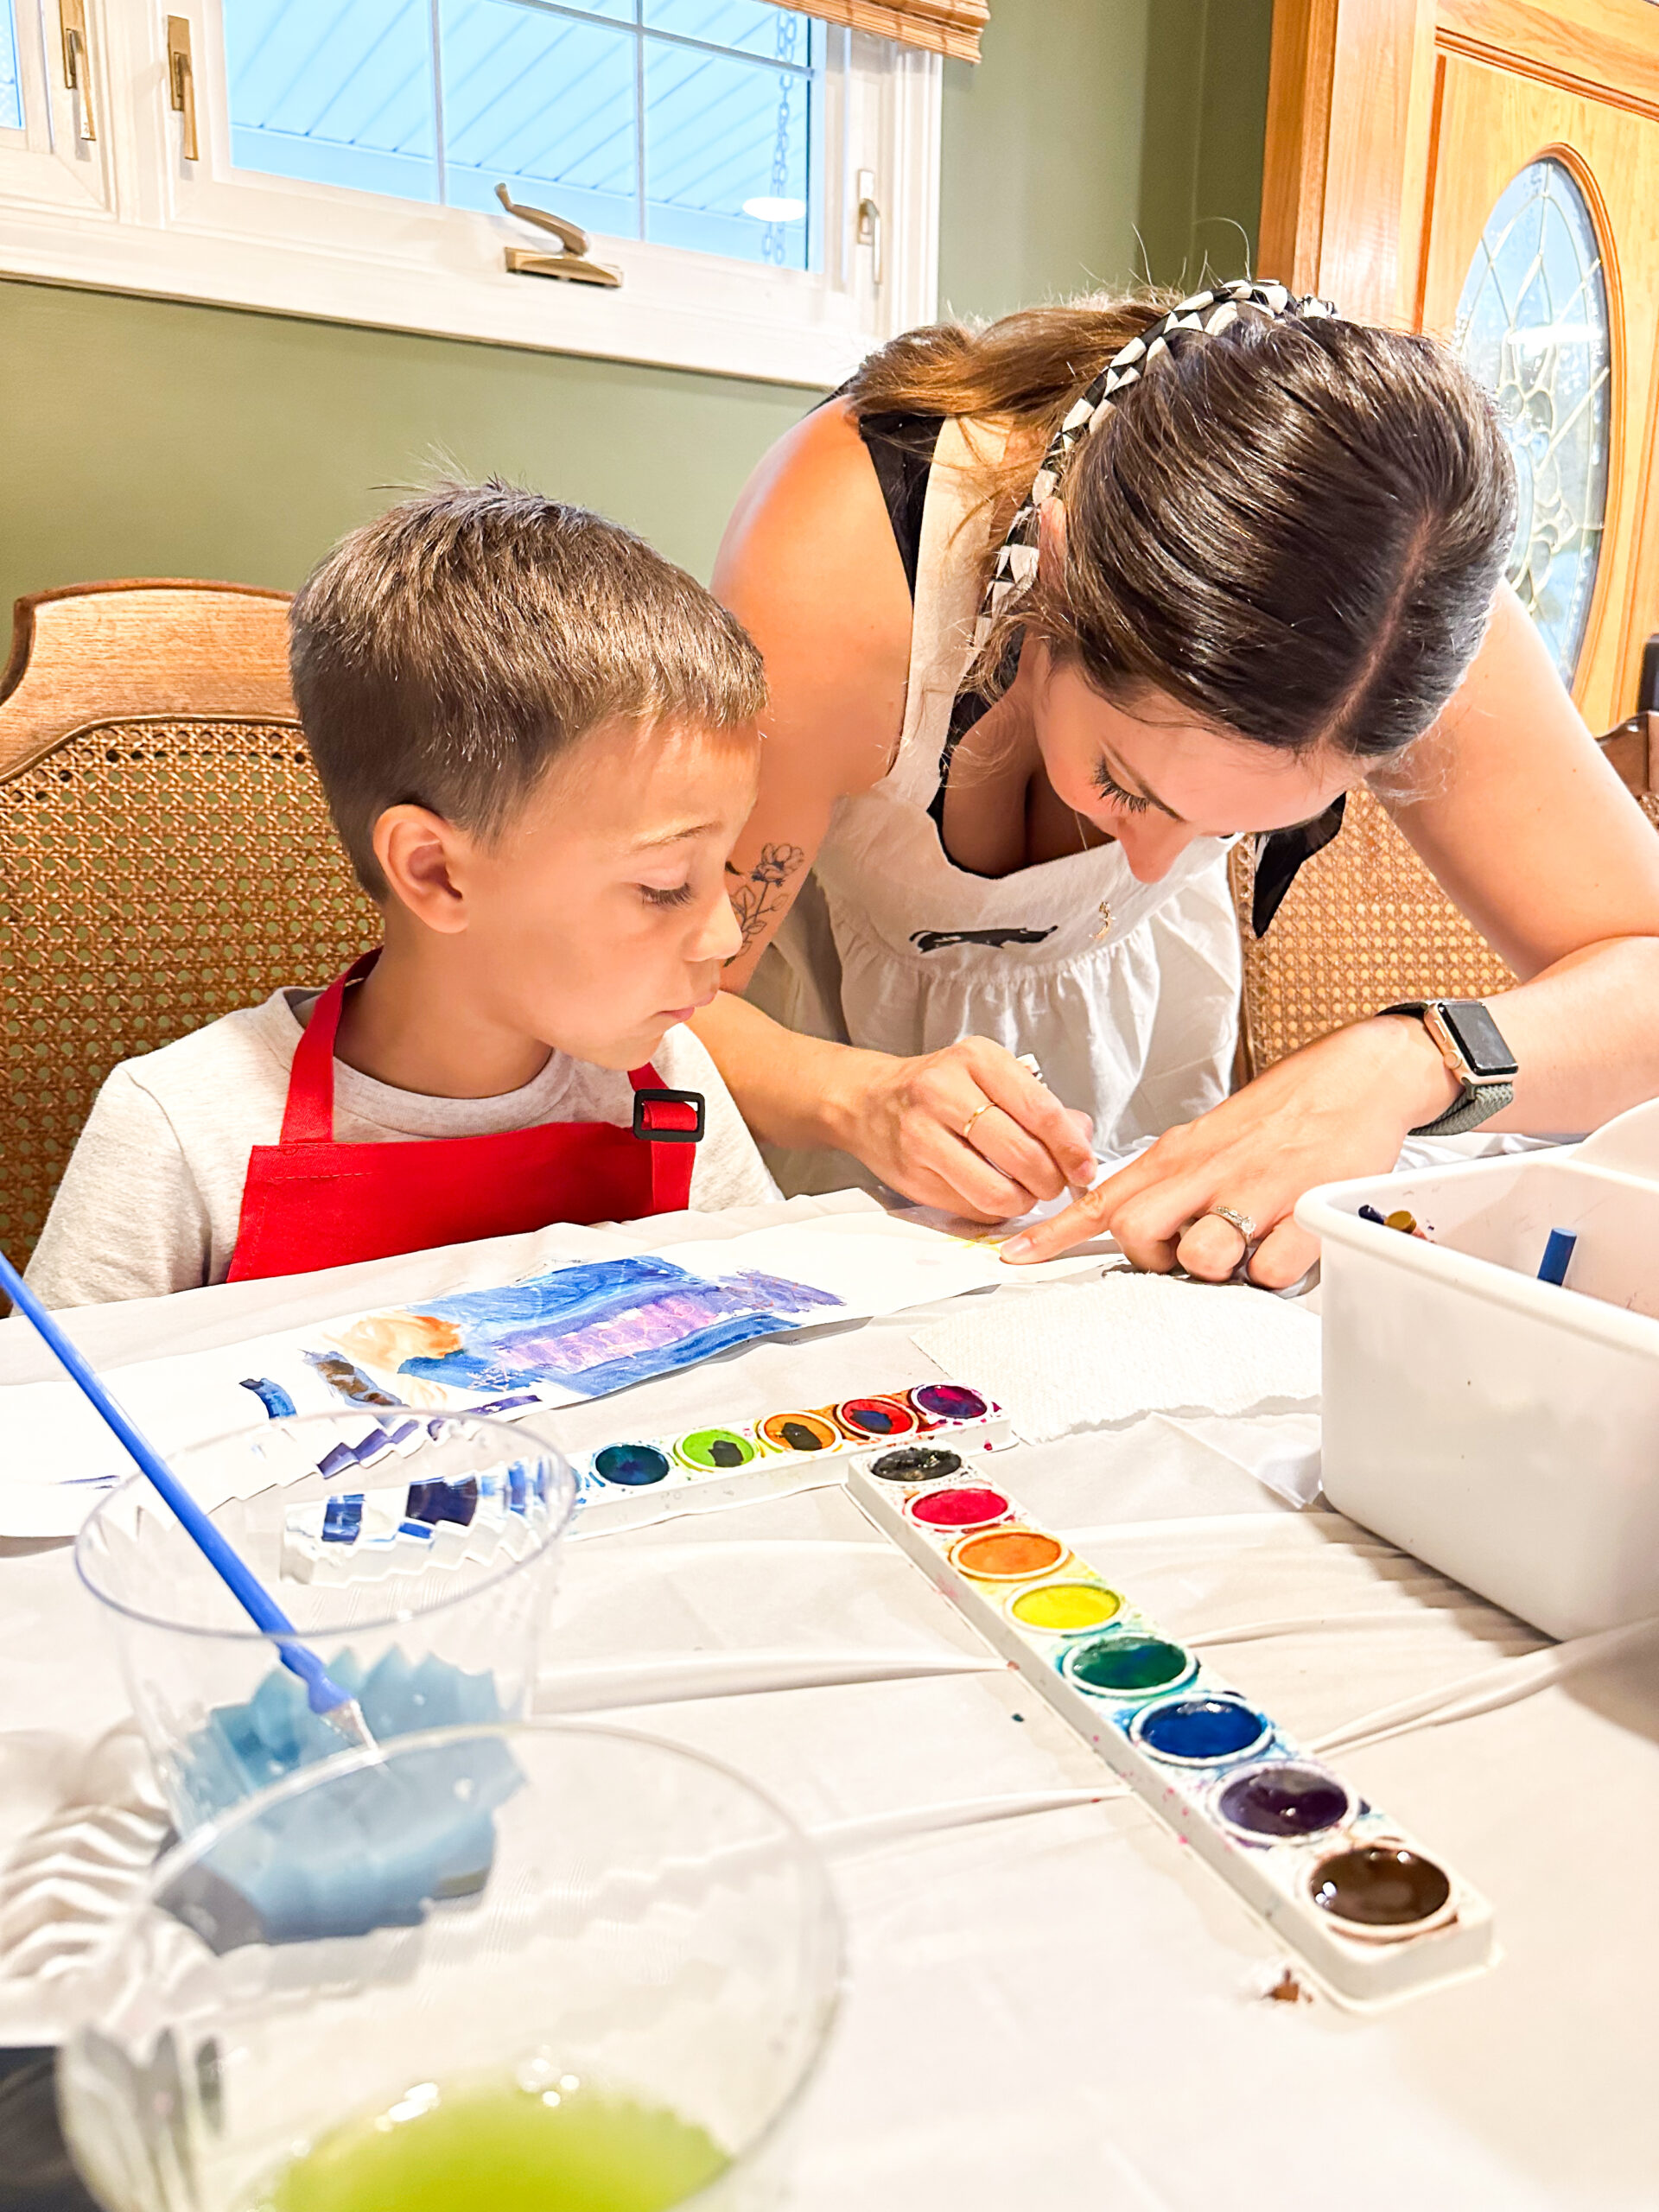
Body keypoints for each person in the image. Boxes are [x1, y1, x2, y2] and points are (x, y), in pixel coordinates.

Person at [697, 279, 1659, 1288]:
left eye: (1234, 832)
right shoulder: (842, 560)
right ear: (1053, 574)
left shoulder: (1399, 612)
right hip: (802, 1069)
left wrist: (1412, 1059)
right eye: (1128, 786)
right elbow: (656, 992)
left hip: (1138, 1061)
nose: (1155, 864)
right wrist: (855, 1096)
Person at [27, 483, 779, 1308]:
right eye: (665, 885)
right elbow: (57, 1428)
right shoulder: (178, 1130)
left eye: (727, 872)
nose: (723, 937)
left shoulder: (669, 1081)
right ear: (435, 873)